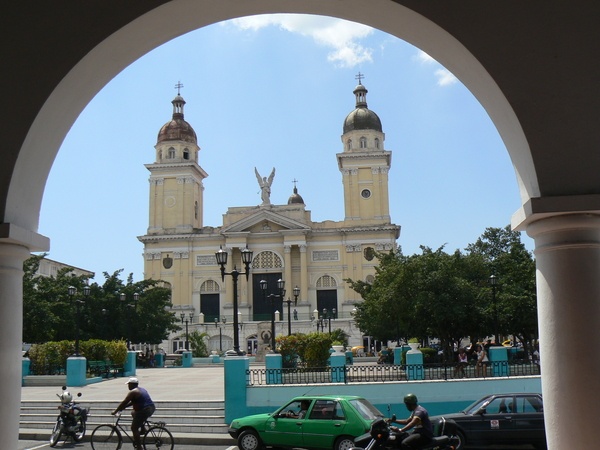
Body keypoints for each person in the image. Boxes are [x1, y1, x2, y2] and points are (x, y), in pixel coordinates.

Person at [112, 377, 155, 450]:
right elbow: (132, 402)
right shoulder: (141, 389)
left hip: (144, 410)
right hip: (151, 408)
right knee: (133, 413)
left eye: (129, 384)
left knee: (134, 428)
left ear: (132, 384)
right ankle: (143, 429)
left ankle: (139, 447)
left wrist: (116, 411)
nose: (128, 386)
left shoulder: (133, 392)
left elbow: (125, 401)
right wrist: (124, 407)